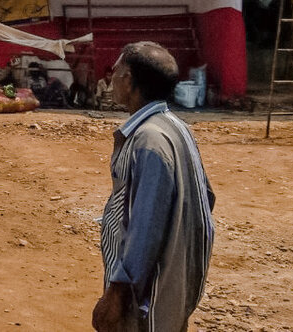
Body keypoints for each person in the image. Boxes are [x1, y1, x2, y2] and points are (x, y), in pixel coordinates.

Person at [92, 42, 215, 332]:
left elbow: (145, 229)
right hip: (170, 286)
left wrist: (118, 296)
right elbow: (206, 196)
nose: (111, 79)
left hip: (146, 296)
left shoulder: (148, 141)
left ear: (129, 79)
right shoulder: (176, 126)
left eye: (116, 70)